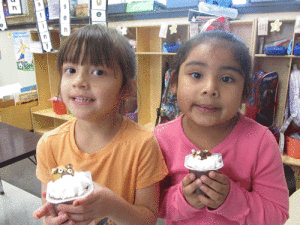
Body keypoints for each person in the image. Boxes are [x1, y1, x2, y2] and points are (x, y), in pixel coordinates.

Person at [32, 24, 168, 225]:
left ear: (126, 88)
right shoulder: (49, 145)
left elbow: (148, 220)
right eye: (70, 70)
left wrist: (111, 206)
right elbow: (50, 210)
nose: (79, 81)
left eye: (98, 72)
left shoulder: (142, 144)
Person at [154, 30, 289, 224]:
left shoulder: (261, 141)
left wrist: (232, 200)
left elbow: (277, 215)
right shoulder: (160, 138)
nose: (210, 88)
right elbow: (151, 207)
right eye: (196, 74)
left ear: (245, 93)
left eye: (227, 79)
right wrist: (183, 199)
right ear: (174, 83)